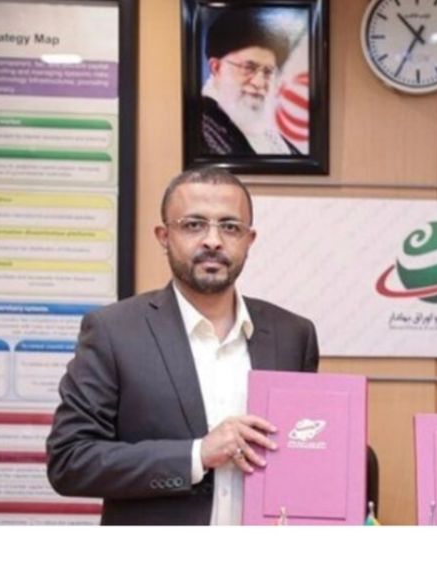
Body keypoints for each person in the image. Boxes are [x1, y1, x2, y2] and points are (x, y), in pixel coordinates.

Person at [47, 166, 319, 525]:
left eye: (230, 227)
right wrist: (196, 455)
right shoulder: (114, 332)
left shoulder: (293, 335)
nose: (213, 241)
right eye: (193, 225)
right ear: (164, 236)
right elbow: (70, 461)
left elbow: (303, 453)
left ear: (249, 240)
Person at [200, 8, 300, 157]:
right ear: (216, 68)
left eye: (267, 71)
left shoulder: (274, 140)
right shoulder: (200, 128)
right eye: (248, 68)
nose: (259, 83)